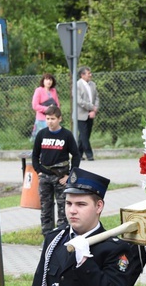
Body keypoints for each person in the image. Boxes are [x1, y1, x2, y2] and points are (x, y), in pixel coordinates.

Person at [31, 105, 80, 235]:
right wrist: (39, 171)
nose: (50, 121)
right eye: (47, 118)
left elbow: (76, 155)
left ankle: (62, 235)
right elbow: (35, 155)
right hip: (45, 177)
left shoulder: (66, 135)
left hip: (61, 178)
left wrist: (70, 175)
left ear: (59, 119)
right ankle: (47, 236)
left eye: (52, 118)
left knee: (63, 208)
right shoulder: (42, 134)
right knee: (46, 208)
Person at [76, 66, 99, 161]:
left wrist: (94, 109)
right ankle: (89, 154)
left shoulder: (92, 84)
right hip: (81, 114)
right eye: (88, 73)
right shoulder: (77, 85)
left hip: (91, 113)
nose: (90, 75)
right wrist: (91, 107)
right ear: (82, 75)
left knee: (84, 135)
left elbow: (97, 97)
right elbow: (79, 101)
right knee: (84, 135)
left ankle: (78, 154)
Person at [31, 73, 60, 139]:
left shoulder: (53, 90)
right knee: (42, 139)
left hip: (53, 118)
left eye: (50, 80)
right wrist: (48, 109)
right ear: (43, 81)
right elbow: (35, 105)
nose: (49, 81)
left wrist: (56, 111)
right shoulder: (38, 90)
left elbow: (57, 104)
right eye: (47, 79)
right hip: (42, 119)